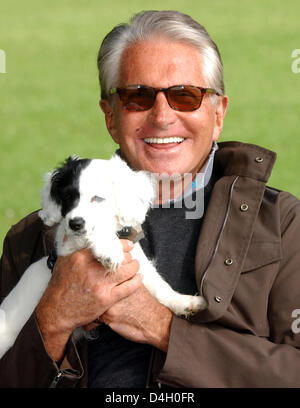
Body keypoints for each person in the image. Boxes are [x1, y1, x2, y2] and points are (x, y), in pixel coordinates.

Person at [0, 10, 300, 388]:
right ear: (110, 116)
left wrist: (164, 329)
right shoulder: (32, 239)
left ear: (218, 112)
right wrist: (53, 320)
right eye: (137, 97)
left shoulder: (285, 226)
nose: (162, 116)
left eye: (185, 96)